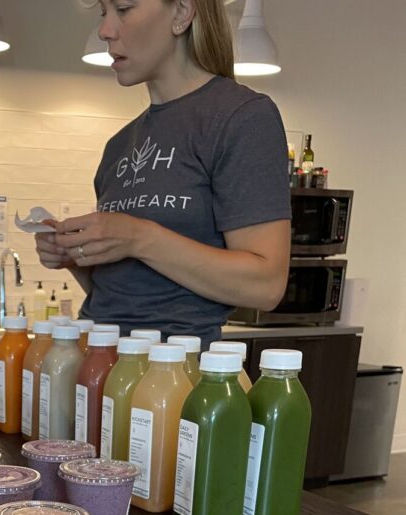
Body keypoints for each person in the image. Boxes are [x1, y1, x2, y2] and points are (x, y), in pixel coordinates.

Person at [36, 0, 291, 343]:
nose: (105, 31)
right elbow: (128, 294)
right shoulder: (119, 145)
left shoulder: (241, 117)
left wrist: (138, 238)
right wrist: (76, 256)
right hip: (98, 353)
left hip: (176, 364)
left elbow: (266, 286)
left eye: (123, 8)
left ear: (181, 13)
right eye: (103, 13)